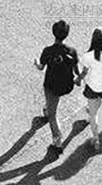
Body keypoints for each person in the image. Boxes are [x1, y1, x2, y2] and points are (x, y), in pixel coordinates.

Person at [34, 20, 79, 152]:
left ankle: (57, 142)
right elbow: (77, 70)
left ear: (54, 33)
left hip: (52, 86)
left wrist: (36, 62)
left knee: (53, 115)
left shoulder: (48, 51)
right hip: (66, 85)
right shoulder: (72, 51)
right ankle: (47, 110)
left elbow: (41, 67)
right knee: (52, 103)